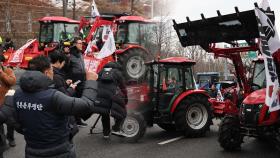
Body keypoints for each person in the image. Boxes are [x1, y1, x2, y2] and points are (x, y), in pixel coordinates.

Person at [12, 55, 98, 157]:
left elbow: (15, 122)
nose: (53, 72)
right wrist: (91, 81)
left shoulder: (18, 94)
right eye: (52, 69)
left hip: (32, 150)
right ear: (47, 73)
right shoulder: (52, 96)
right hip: (59, 151)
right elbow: (86, 105)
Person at [94, 62, 128, 139]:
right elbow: (123, 88)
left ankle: (106, 133)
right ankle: (116, 128)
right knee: (123, 112)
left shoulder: (100, 72)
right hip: (112, 95)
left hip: (100, 96)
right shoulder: (117, 73)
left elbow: (95, 83)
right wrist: (125, 99)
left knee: (104, 113)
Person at [67, 37, 88, 127]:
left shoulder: (80, 54)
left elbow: (81, 67)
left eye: (81, 43)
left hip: (82, 79)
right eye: (79, 43)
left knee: (80, 100)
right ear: (75, 44)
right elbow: (67, 69)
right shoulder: (70, 55)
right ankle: (77, 120)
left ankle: (78, 119)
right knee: (76, 100)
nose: (81, 45)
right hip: (76, 81)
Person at [0, 55, 16, 157]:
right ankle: (2, 143)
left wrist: (1, 74)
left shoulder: (8, 70)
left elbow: (12, 82)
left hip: (6, 102)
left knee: (11, 122)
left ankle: (11, 138)